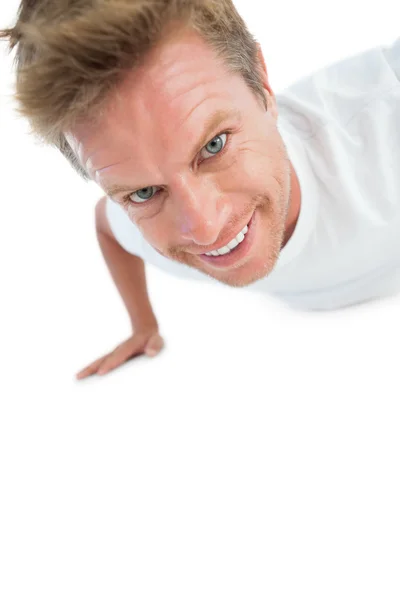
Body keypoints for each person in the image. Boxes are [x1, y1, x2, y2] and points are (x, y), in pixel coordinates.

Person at [1, 2, 399, 380]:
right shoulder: (139, 227)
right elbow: (107, 225)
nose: (206, 229)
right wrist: (143, 325)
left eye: (214, 145)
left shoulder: (384, 119)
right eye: (144, 193)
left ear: (261, 84)